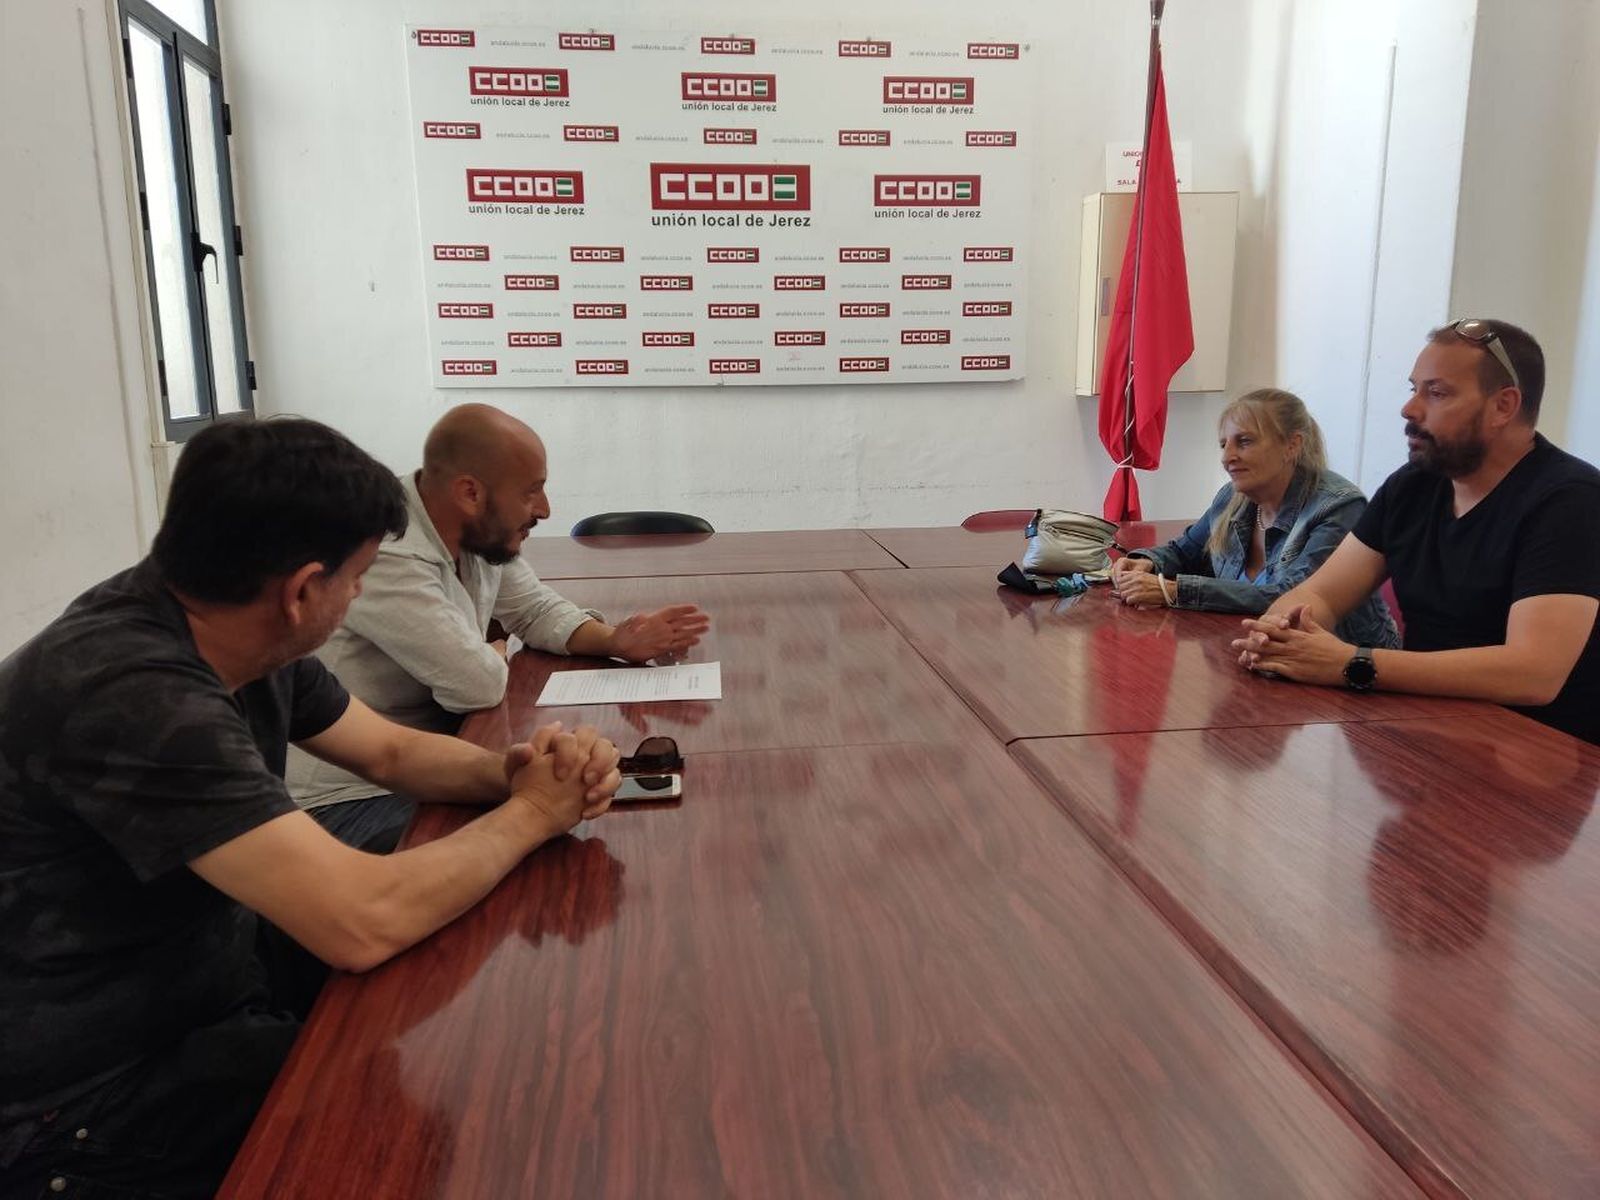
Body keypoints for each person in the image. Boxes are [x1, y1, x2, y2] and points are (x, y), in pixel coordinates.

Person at [0, 419, 622, 1200]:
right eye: (358, 577)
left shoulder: (225, 626)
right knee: (470, 1128)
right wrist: (534, 815)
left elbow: (390, 753)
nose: (361, 593)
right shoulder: (135, 695)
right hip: (82, 1105)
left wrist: (521, 772)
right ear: (301, 591)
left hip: (210, 1002)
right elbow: (360, 922)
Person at [287, 403, 709, 851]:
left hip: (433, 760)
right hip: (349, 798)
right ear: (470, 493)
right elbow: (477, 686)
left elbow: (532, 608)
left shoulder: (474, 532)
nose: (545, 509)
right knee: (554, 848)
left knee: (577, 811)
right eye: (532, 492)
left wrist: (614, 639)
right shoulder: (388, 552)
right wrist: (491, 653)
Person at [1234, 319, 1600, 744]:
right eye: (1414, 389)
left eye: (1437, 392)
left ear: (1504, 406)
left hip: (1537, 755)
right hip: (1424, 730)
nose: (1410, 409)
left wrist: (1354, 663)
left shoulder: (1571, 501)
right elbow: (1321, 594)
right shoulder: (1413, 484)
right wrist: (1279, 634)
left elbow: (1534, 673)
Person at [1110, 388, 1398, 649]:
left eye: (1244, 442)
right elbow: (1184, 552)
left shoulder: (1339, 507)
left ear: (1292, 445)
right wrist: (1147, 561)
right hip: (1256, 654)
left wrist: (1172, 591)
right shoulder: (1231, 498)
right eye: (1224, 445)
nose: (1227, 457)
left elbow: (1292, 598)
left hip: (1351, 673)